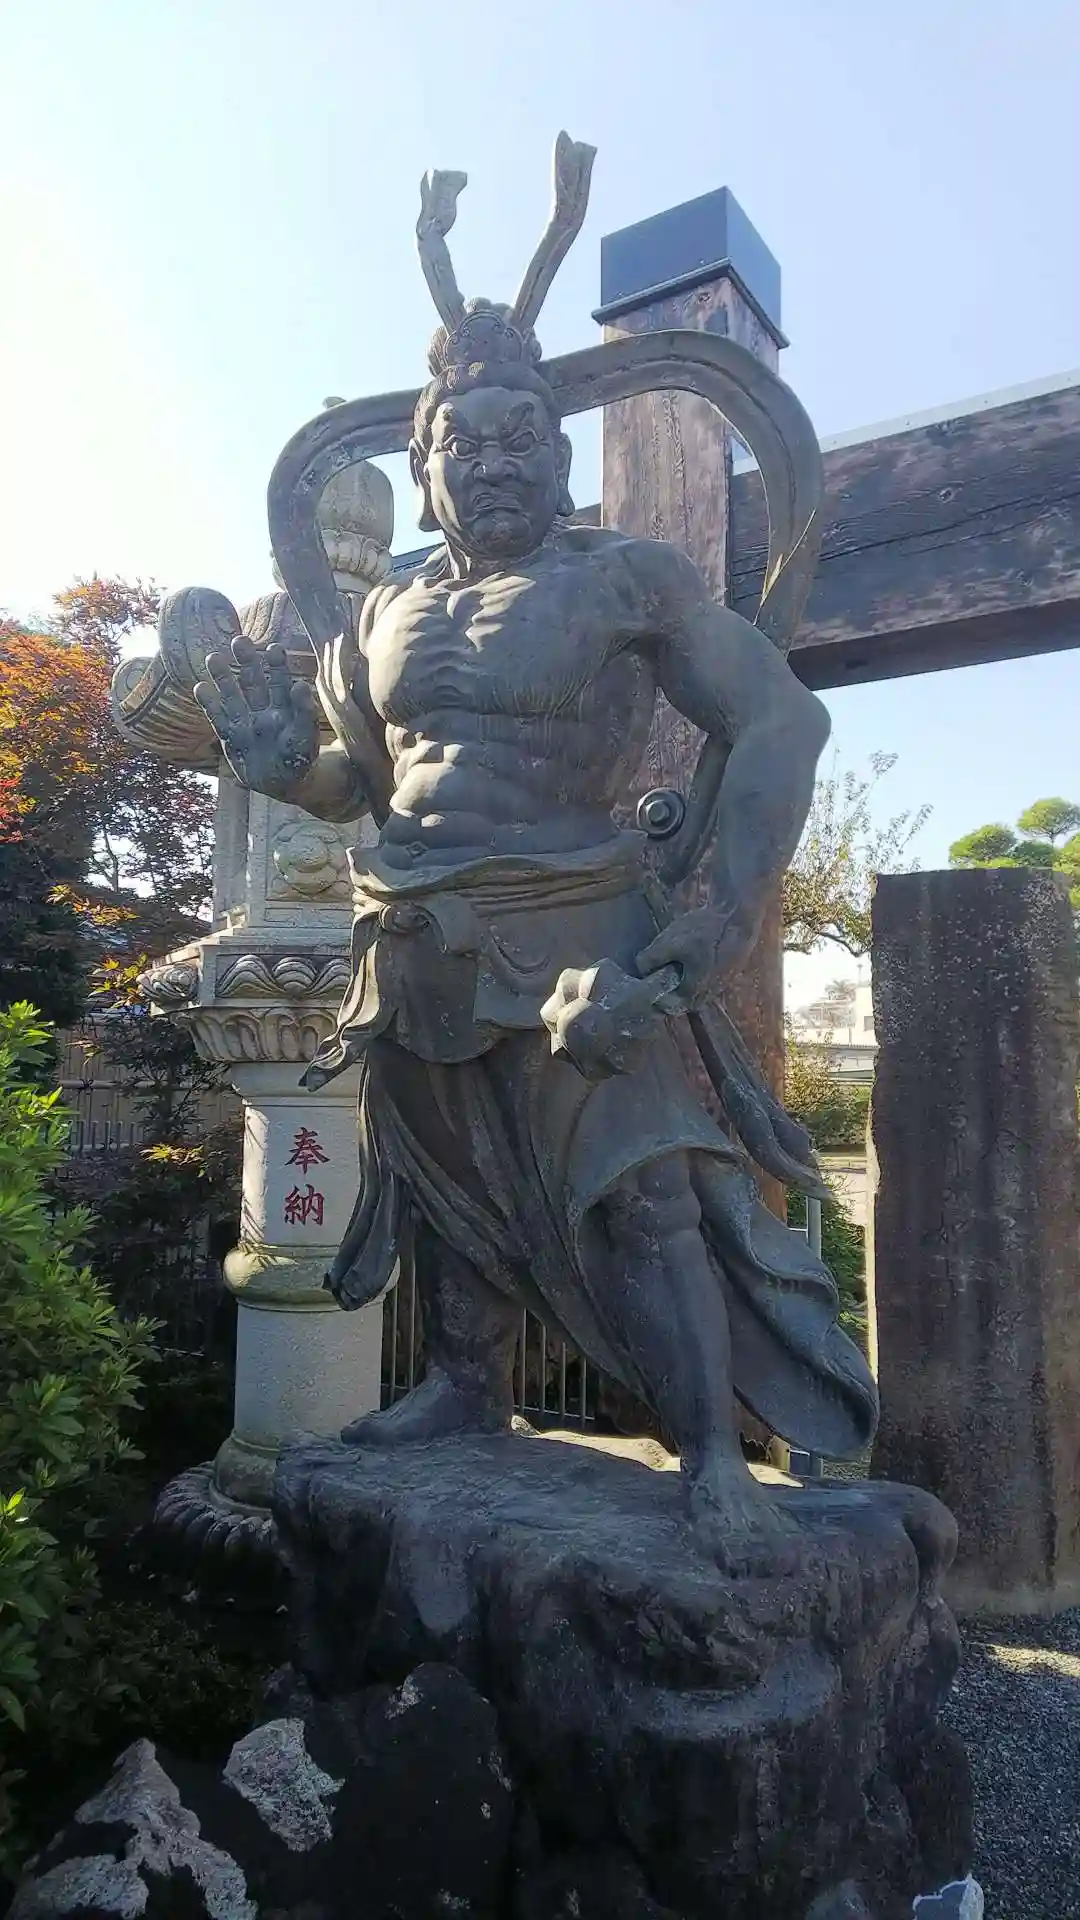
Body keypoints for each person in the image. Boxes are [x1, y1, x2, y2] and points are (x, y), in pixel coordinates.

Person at [194, 150, 876, 1573]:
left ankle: (711, 1455)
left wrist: (714, 916)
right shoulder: (380, 615)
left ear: (558, 456)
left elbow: (778, 723)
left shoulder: (623, 578)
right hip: (412, 931)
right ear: (425, 464)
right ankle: (464, 1386)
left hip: (576, 920)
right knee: (452, 1188)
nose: (496, 462)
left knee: (643, 1190)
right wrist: (278, 765)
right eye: (468, 443)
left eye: (524, 439)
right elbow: (362, 782)